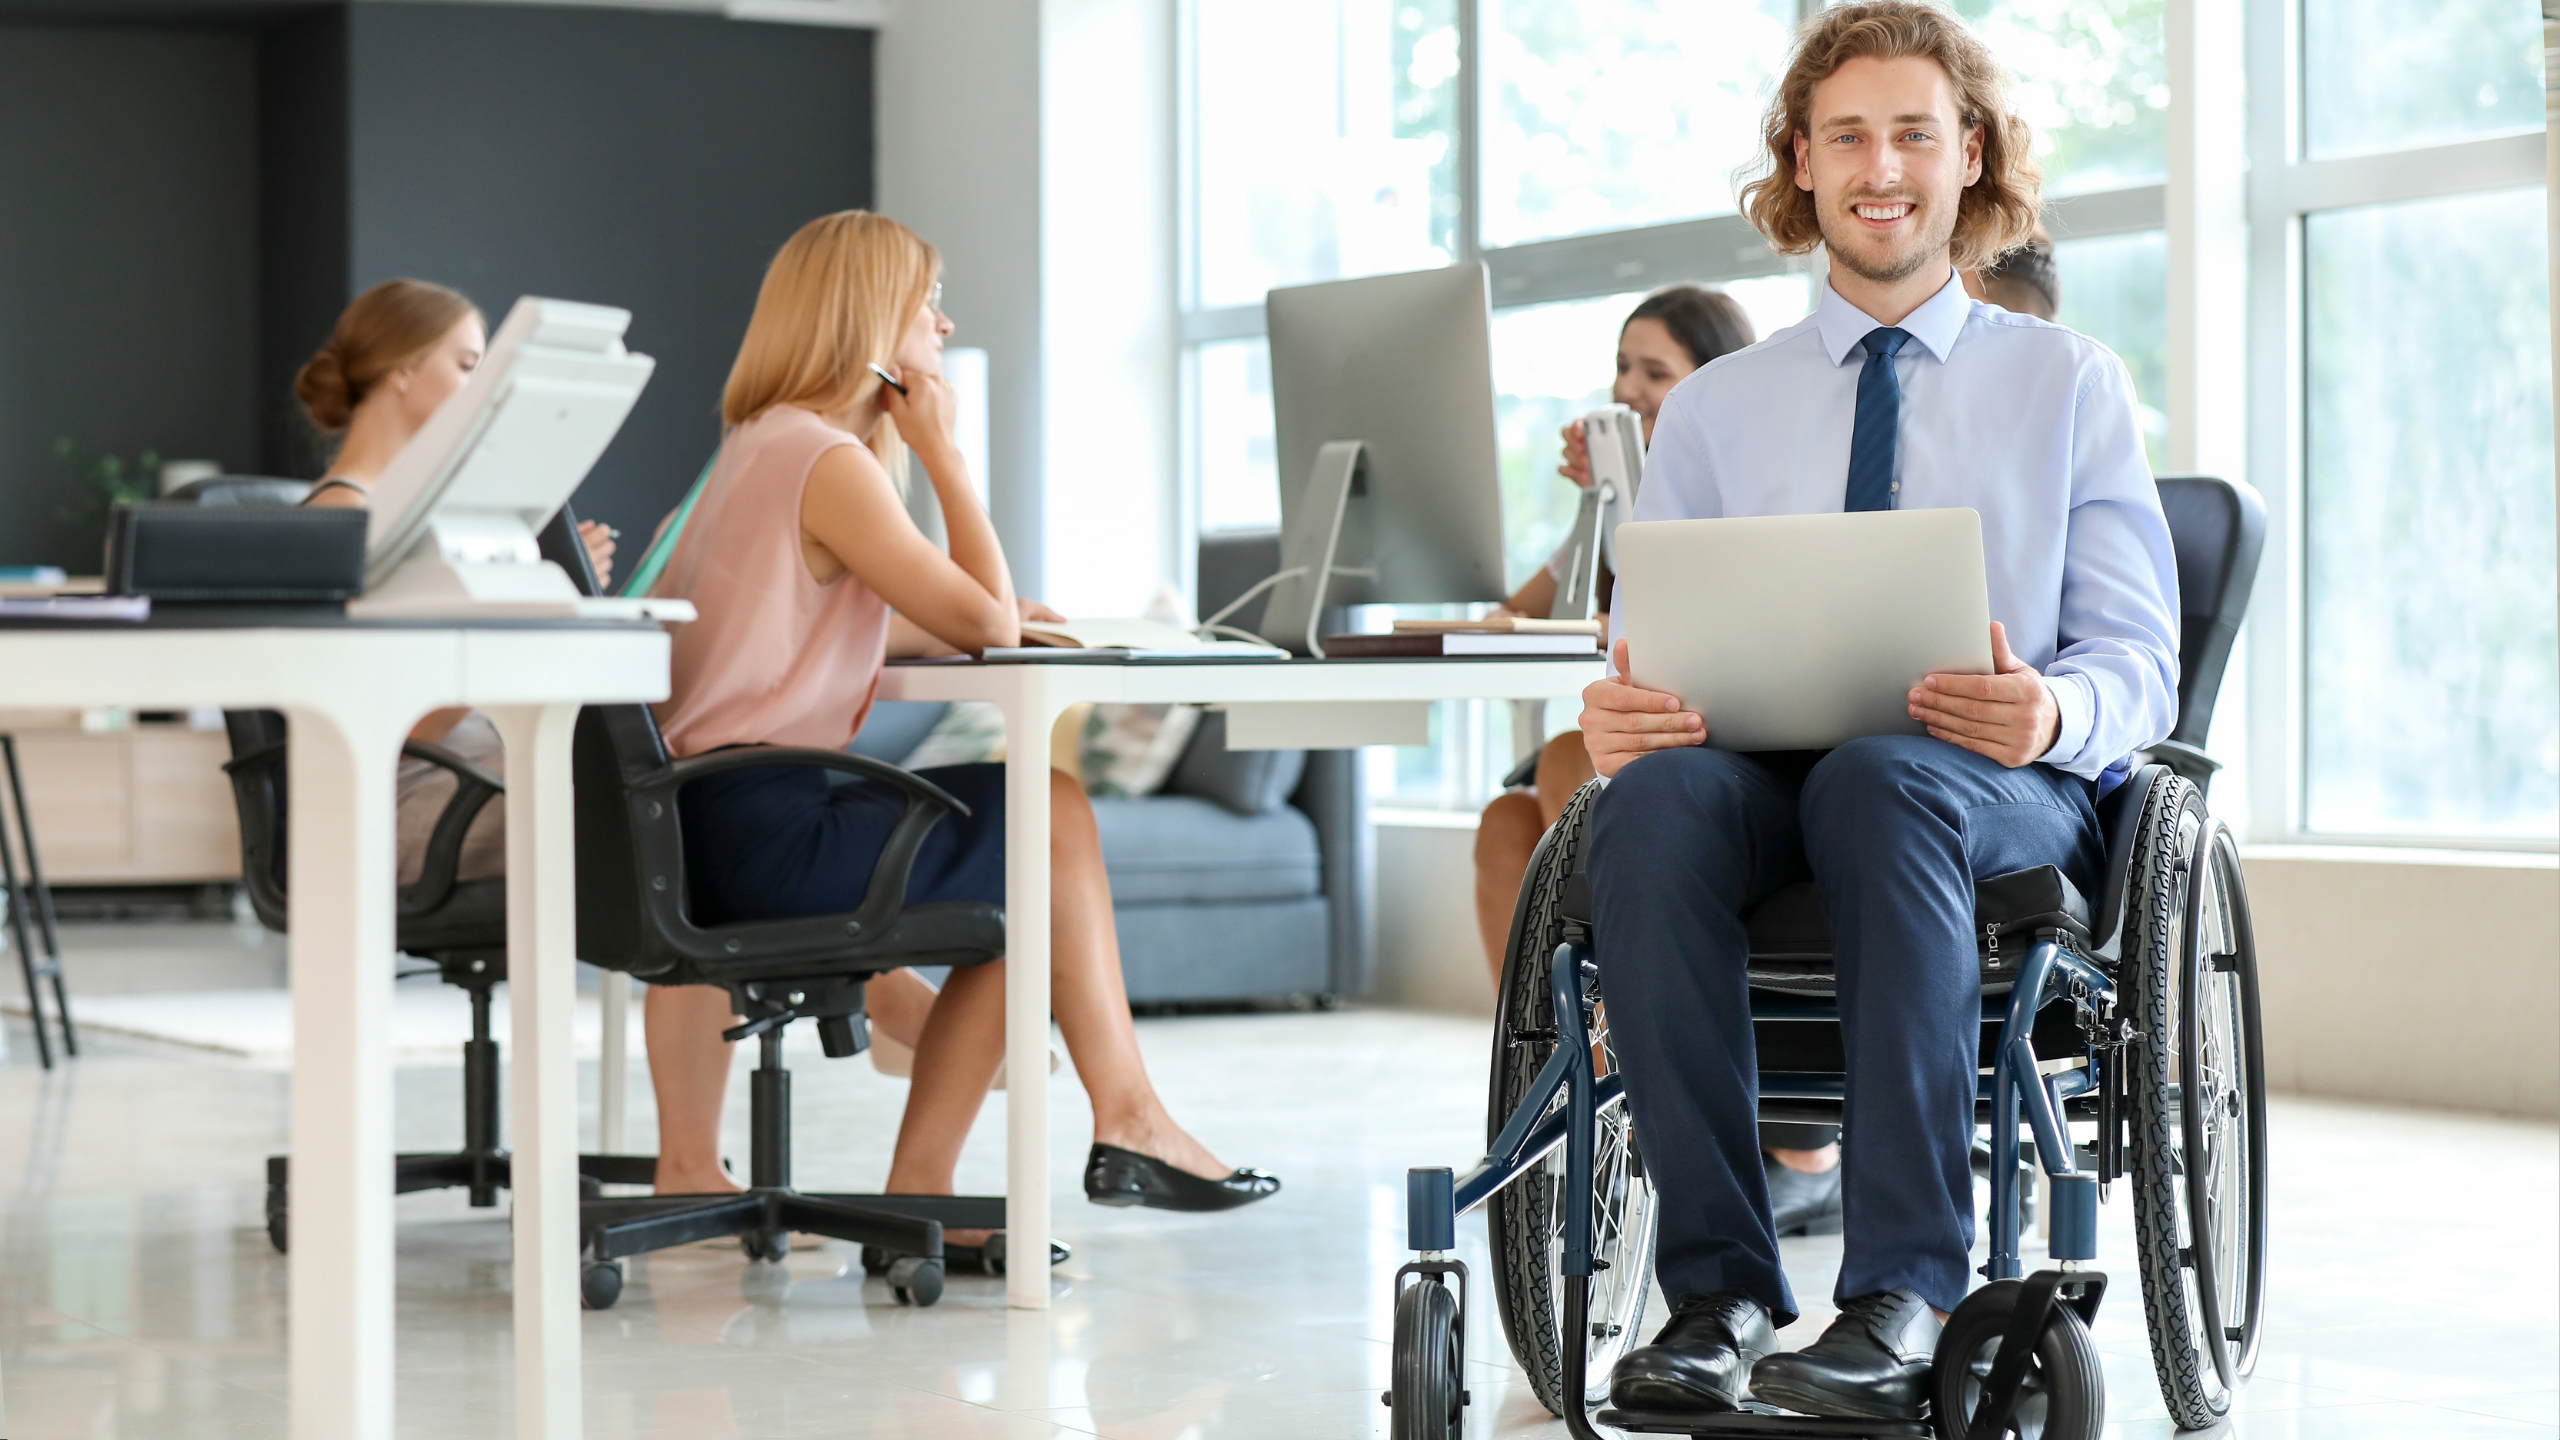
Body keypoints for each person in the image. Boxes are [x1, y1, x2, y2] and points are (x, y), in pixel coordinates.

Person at [1583, 3, 2177, 1422]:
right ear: (1802, 162)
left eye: (1916, 132)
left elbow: (2138, 668)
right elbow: (1642, 643)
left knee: (1883, 779)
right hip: (1756, 779)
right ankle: (1717, 1294)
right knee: (1652, 801)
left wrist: (2044, 710)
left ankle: (1906, 1287)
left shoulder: (2071, 385)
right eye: (1846, 135)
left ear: (1971, 156)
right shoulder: (1716, 411)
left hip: (1988, 785)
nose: (1881, 165)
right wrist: (1621, 718)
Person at [640, 211, 1278, 1243]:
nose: (944, 322)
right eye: (925, 304)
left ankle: (949, 1190)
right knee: (1048, 812)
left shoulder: (756, 447)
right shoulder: (828, 459)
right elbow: (983, 617)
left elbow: (835, 618)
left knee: (1025, 858)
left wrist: (962, 614)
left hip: (694, 828)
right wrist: (943, 453)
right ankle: (1124, 1119)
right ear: (869, 322)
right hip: (761, 826)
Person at [1470, 286, 1847, 1236]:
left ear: (1706, 381)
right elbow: (1514, 613)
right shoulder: (1625, 495)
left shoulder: (1747, 466)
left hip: (1740, 749)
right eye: (1622, 371)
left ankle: (1788, 1139)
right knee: (1506, 827)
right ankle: (1578, 1080)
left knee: (1570, 765)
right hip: (1656, 743)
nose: (1630, 392)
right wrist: (1600, 506)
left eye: (1655, 374)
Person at [295, 279, 620, 884]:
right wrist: (511, 614)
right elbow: (397, 728)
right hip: (415, 799)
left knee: (640, 773)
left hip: (472, 773)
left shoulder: (424, 516)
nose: (481, 391)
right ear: (403, 370)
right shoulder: (342, 523)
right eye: (468, 366)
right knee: (632, 795)